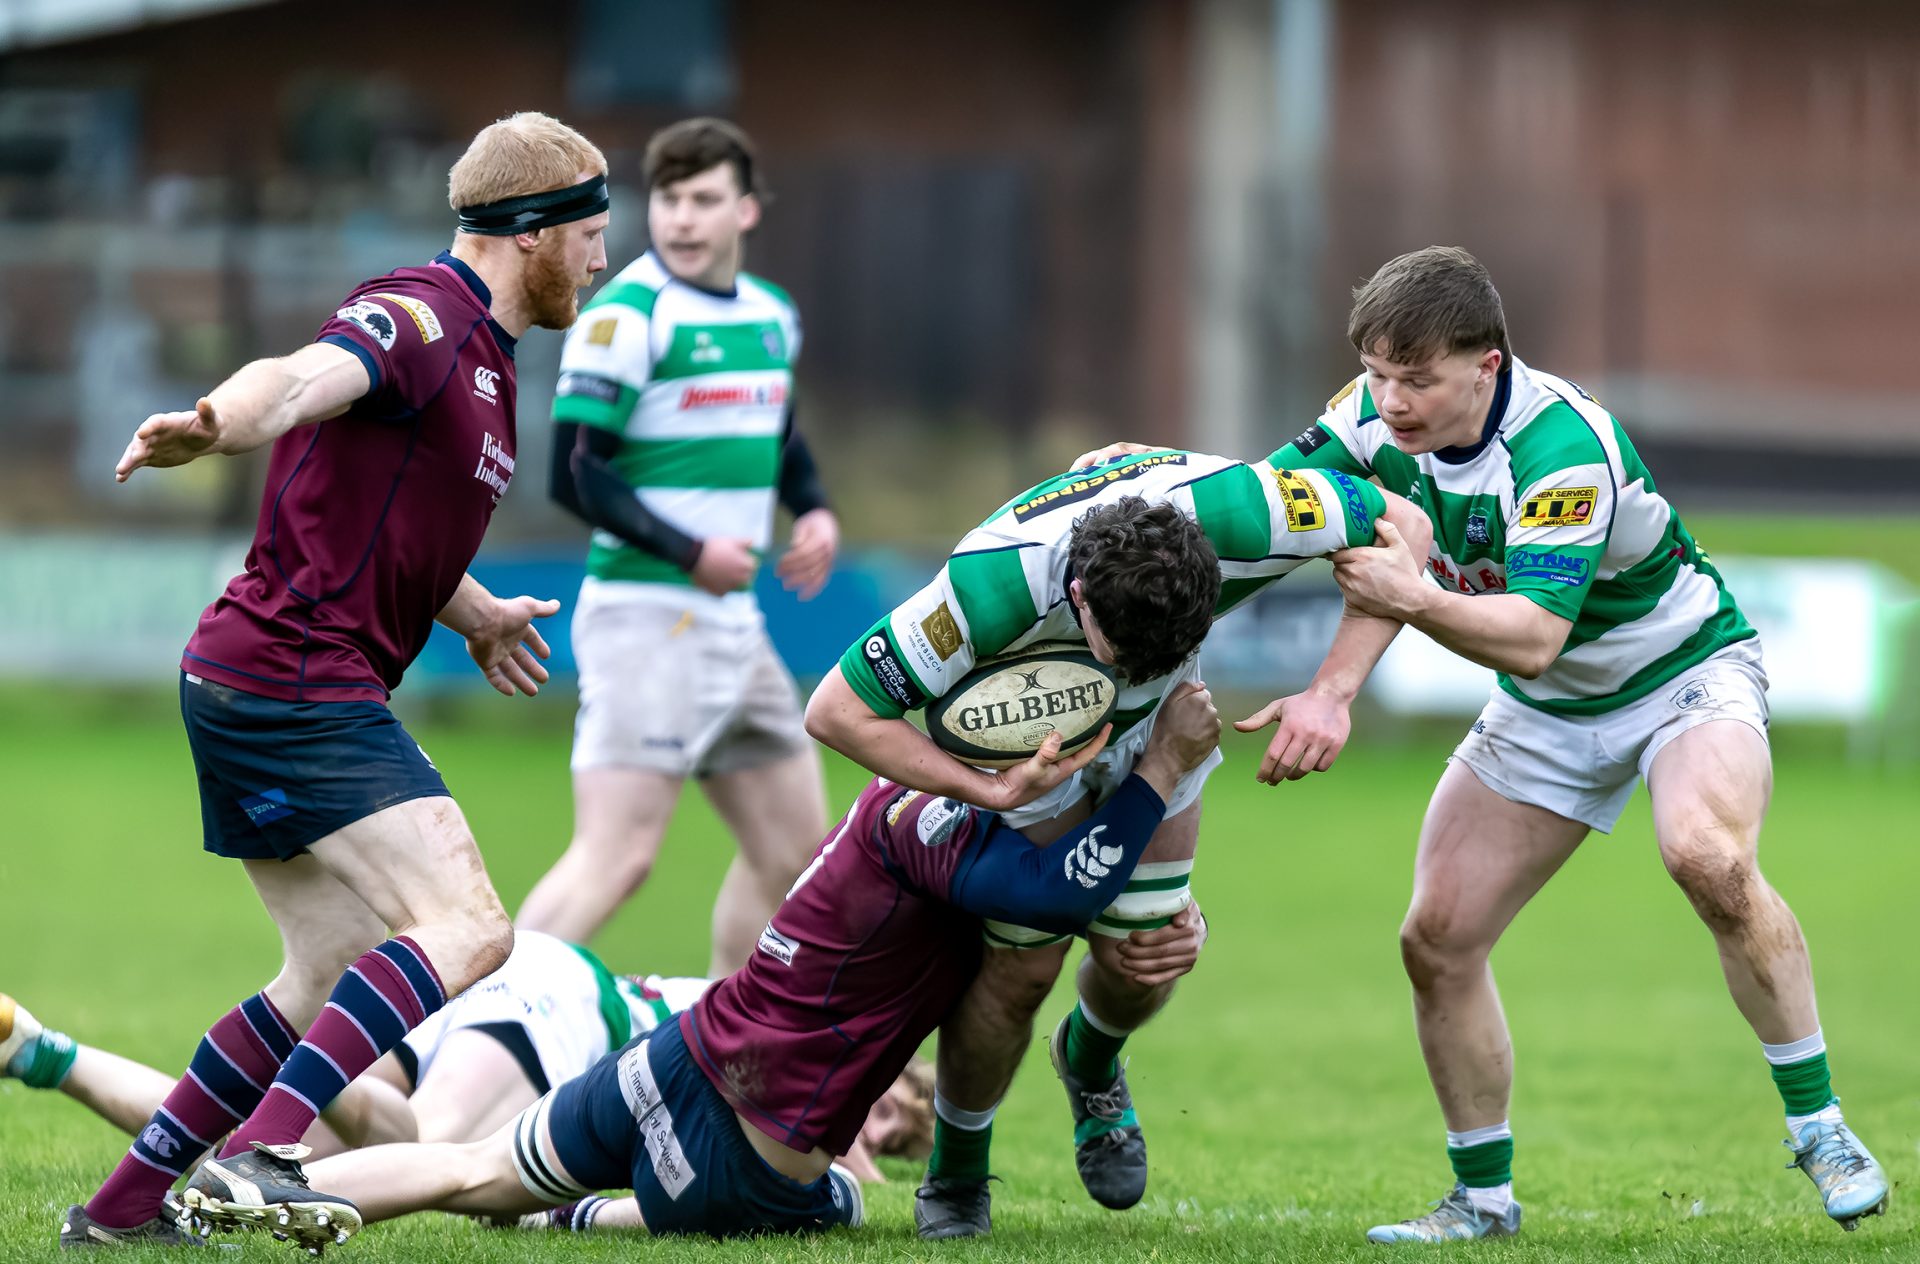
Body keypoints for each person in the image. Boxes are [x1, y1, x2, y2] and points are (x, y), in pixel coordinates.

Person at [64, 112, 611, 1251]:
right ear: (529, 232)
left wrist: (474, 613)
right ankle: (267, 1153)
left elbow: (395, 515)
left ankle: (119, 1216)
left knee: (322, 974)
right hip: (294, 675)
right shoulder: (420, 312)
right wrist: (216, 424)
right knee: (469, 924)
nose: (603, 256)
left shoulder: (494, 367)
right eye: (591, 231)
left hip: (259, 673)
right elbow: (304, 376)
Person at [1265, 245, 1887, 1241]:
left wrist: (1416, 598)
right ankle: (1482, 1201)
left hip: (1682, 672)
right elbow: (1263, 503)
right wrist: (1149, 508)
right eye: (1378, 373)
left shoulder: (1561, 448)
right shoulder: (1365, 415)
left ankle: (1821, 1127)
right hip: (1550, 710)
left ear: (1487, 364)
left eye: (1417, 379)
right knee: (1436, 937)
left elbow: (1535, 634)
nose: (1391, 400)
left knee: (1708, 858)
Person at [208, 683, 1221, 1244]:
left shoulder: (886, 802)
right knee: (847, 1202)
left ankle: (254, 1191)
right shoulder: (957, 851)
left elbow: (1047, 892)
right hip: (753, 1148)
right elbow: (1048, 896)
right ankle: (587, 1214)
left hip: (677, 1052)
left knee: (471, 1169)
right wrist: (1162, 772)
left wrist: (1149, 917)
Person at [804, 454, 1428, 1237]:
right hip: (1030, 753)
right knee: (1022, 964)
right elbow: (835, 712)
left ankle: (1092, 1060)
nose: (1140, 672)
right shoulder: (987, 592)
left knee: (1150, 948)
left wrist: (1332, 692)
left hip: (1170, 729)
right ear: (1077, 600)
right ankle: (958, 1169)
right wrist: (989, 790)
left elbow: (1407, 524)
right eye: (1124, 655)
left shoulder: (1245, 511)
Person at [518, 117, 838, 975]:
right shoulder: (628, 315)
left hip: (733, 627)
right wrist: (690, 551)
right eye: (668, 200)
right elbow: (575, 474)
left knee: (799, 866)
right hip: (647, 618)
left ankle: (727, 1053)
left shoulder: (773, 315)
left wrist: (813, 511)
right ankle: (459, 1043)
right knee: (616, 859)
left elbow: (777, 430)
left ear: (746, 211)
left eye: (703, 200)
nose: (682, 220)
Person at [2, 940, 931, 1180]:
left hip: (510, 986)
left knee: (256, 1161)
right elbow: (802, 1113)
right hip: (561, 996)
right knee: (426, 1148)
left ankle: (39, 1052)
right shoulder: (819, 1045)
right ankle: (316, 1064)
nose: (874, 1127)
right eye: (891, 1108)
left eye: (890, 1135)